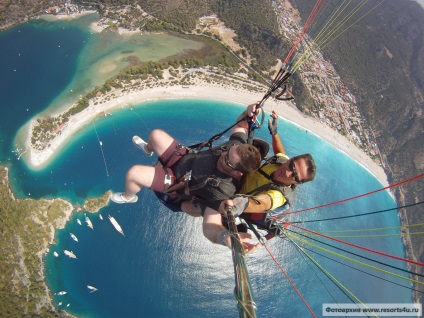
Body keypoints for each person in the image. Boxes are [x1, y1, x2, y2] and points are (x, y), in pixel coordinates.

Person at [110, 104, 262, 215]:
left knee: (133, 174)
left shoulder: (223, 190)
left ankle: (128, 197)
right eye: (228, 150)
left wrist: (182, 205)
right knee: (155, 135)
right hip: (186, 158)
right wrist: (249, 111)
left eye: (227, 159)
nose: (223, 154)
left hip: (176, 182)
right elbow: (242, 124)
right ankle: (148, 149)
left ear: (237, 173)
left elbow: (205, 211)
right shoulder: (236, 147)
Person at [201, 109, 317, 252]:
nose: (287, 172)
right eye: (292, 165)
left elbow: (262, 202)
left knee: (198, 206)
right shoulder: (281, 162)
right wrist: (274, 133)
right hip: (241, 179)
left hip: (240, 200)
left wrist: (241, 203)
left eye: (295, 176)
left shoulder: (278, 196)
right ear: (291, 160)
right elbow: (281, 152)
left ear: (297, 183)